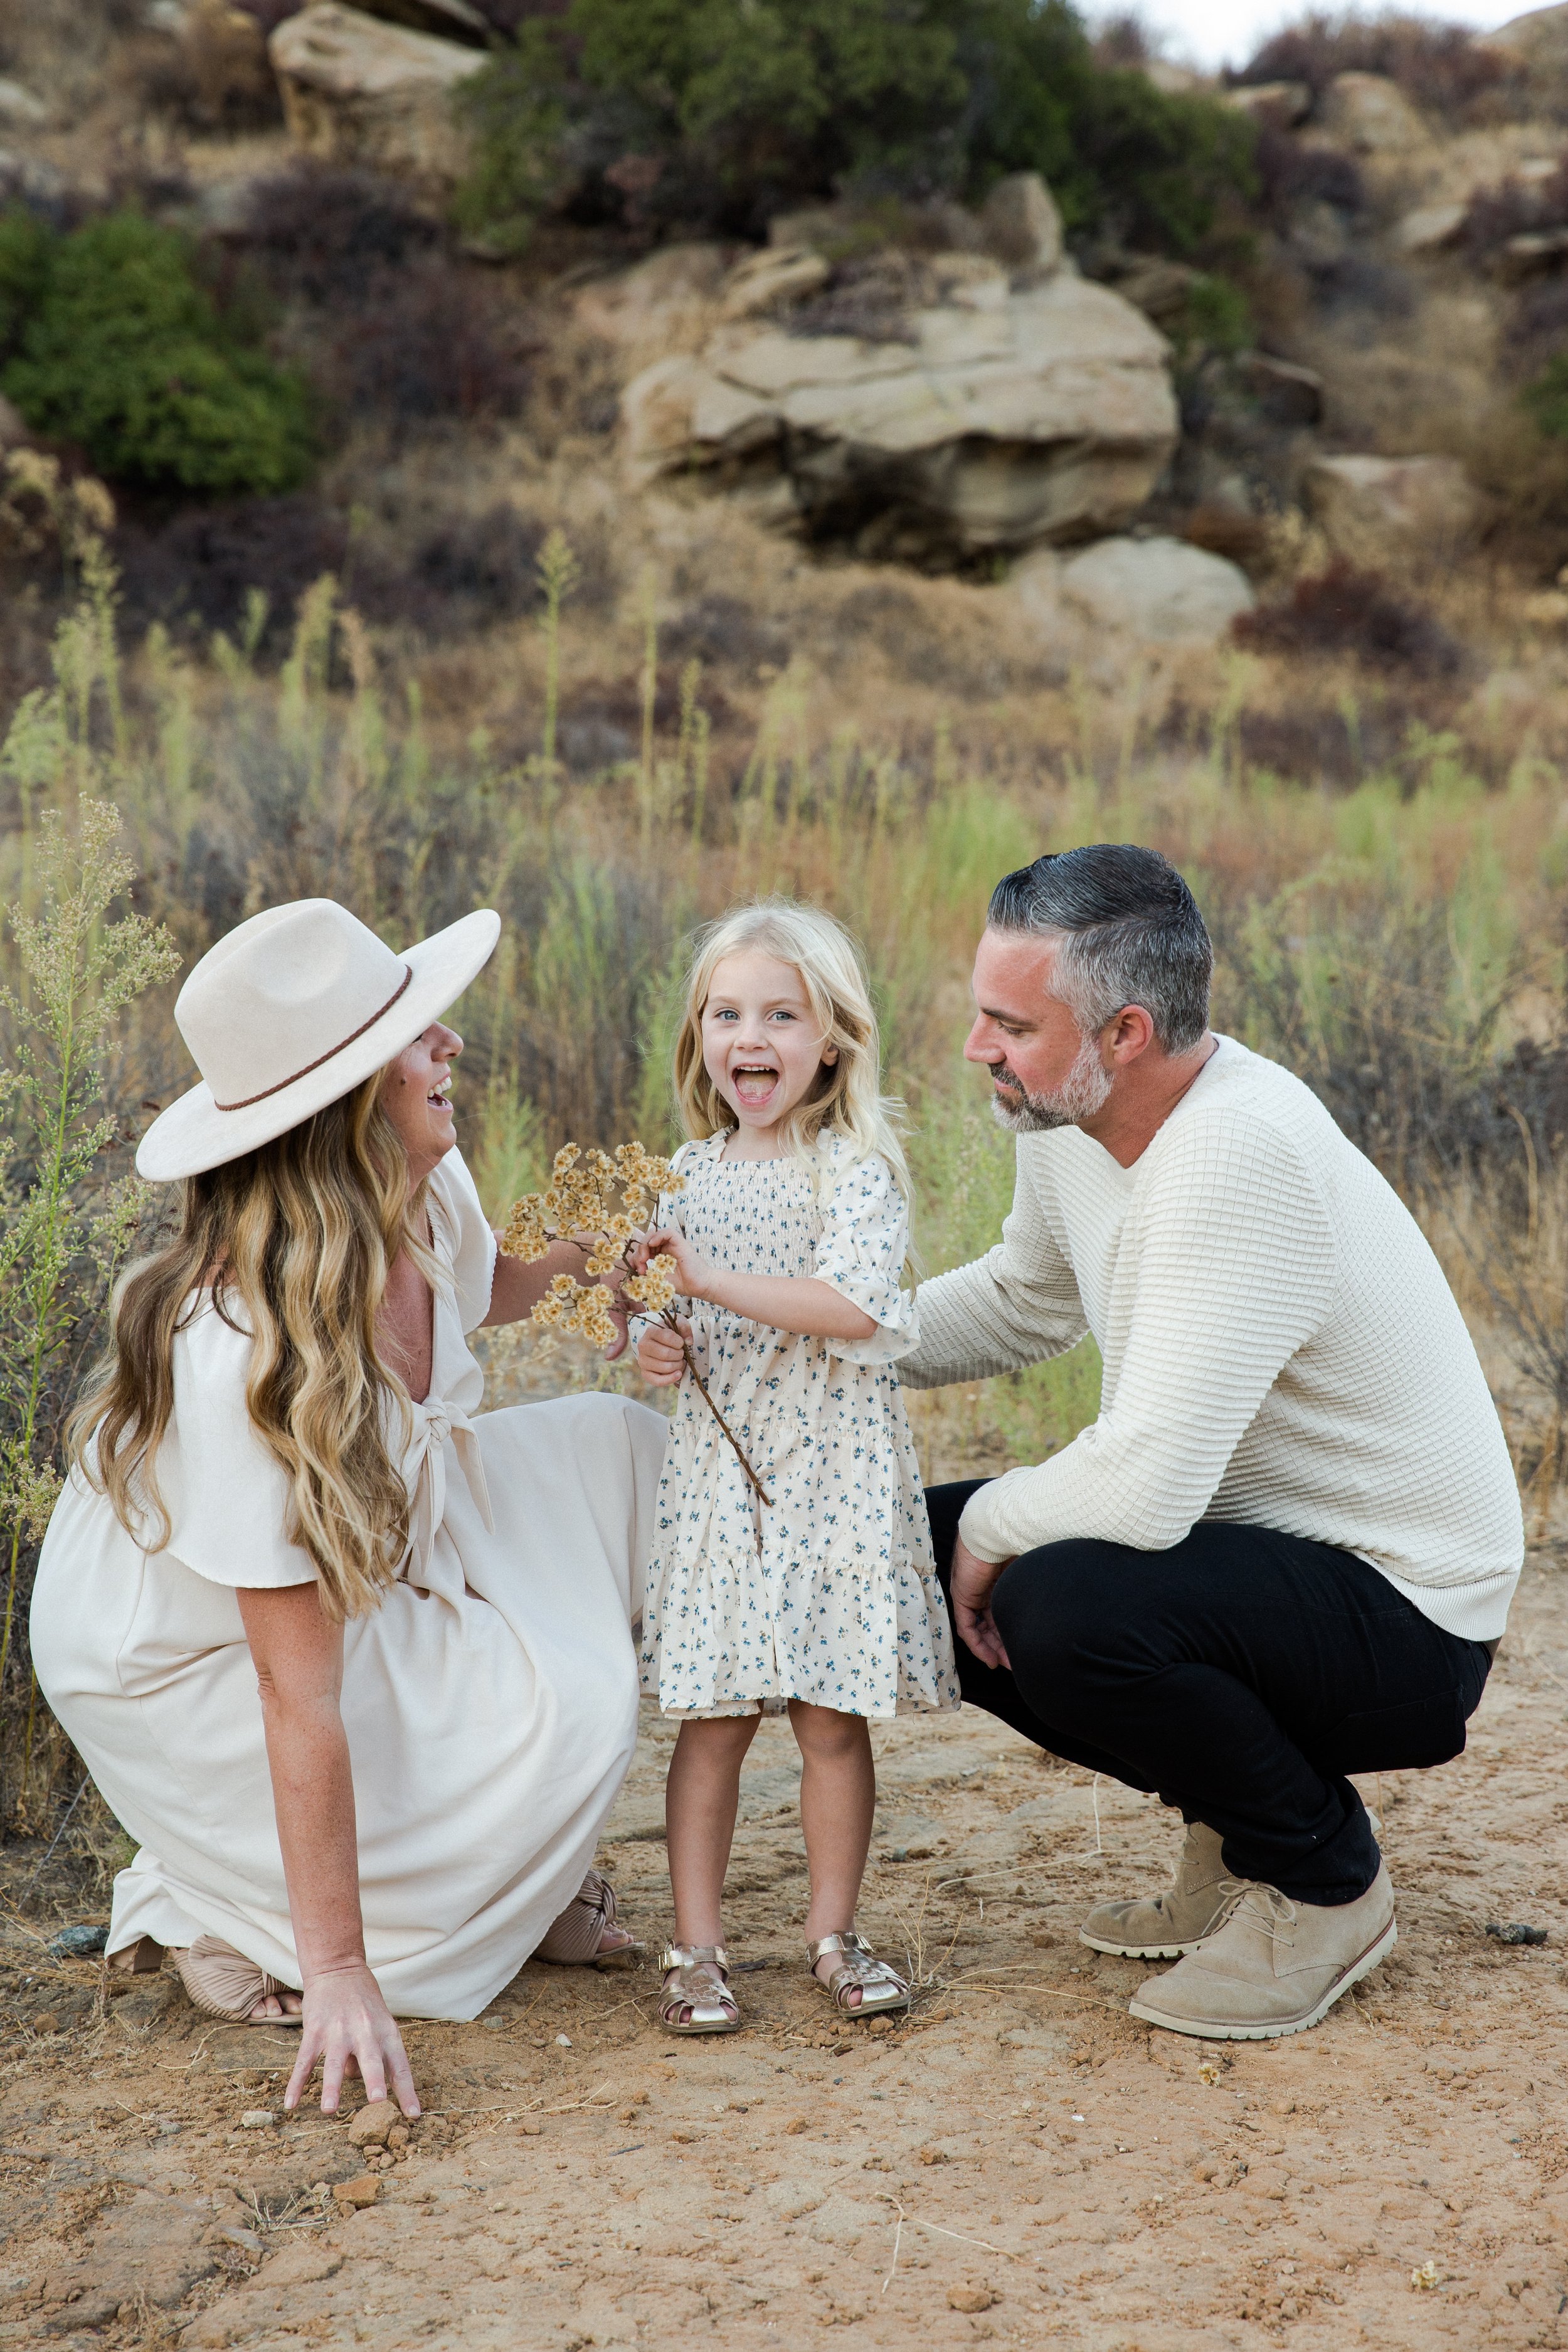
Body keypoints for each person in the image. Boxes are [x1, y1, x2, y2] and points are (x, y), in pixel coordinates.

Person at [31, 898, 667, 2115]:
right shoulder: (240, 1357)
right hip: (192, 1656)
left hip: (374, 1530)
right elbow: (295, 1691)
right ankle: (233, 1912)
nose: (453, 1047)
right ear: (344, 1103)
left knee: (624, 1456)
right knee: (568, 1706)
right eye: (419, 1034)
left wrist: (619, 1259)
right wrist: (340, 1971)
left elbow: (486, 1294)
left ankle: (496, 1877)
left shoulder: (421, 1187)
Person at [901, 844, 1523, 2042]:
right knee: (903, 1557)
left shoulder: (1238, 1152)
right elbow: (1025, 1299)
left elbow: (1144, 1485)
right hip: (1272, 1565)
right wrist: (797, 1330)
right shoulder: (1069, 1111)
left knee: (1068, 1605)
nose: (979, 1047)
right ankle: (1237, 1839)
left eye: (1008, 1023)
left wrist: (988, 1528)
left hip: (1411, 1614)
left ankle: (1323, 1880)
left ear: (1124, 1032)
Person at [633, 900, 958, 2035]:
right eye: (727, 1013)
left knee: (828, 1715)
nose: (749, 1036)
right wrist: (653, 1340)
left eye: (781, 1011)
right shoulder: (682, 1171)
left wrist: (709, 1280)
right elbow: (661, 1313)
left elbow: (851, 1304)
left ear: (832, 1037)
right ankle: (696, 1949)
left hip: (833, 1475)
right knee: (715, 1718)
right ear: (701, 1034)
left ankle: (833, 1933)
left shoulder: (854, 1168)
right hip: (725, 1483)